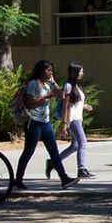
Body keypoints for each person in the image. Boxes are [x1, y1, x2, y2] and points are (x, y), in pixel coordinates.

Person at [14, 60, 80, 190]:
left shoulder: (48, 84)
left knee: (54, 151)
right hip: (33, 122)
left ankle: (64, 178)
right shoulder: (33, 84)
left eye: (51, 70)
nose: (50, 72)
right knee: (29, 151)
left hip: (45, 122)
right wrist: (45, 97)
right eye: (48, 70)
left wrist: (54, 83)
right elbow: (29, 103)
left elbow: (61, 95)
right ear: (41, 71)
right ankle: (18, 179)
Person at [52, 62, 95, 179]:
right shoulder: (68, 86)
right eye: (81, 71)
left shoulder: (77, 86)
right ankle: (81, 169)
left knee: (75, 145)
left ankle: (53, 162)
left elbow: (76, 103)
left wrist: (85, 106)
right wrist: (64, 124)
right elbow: (66, 106)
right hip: (72, 119)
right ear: (75, 73)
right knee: (83, 142)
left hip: (77, 118)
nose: (83, 73)